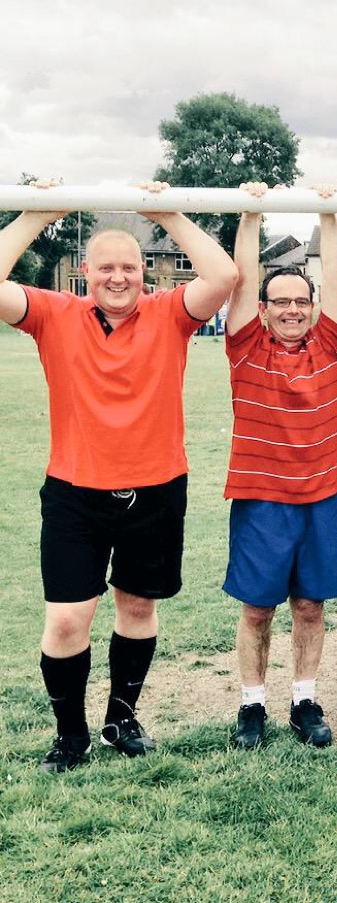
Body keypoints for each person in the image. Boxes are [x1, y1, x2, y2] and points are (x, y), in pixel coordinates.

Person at [0, 181, 238, 772]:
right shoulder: (55, 314)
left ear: (144, 274)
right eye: (106, 267)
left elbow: (224, 276)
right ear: (86, 271)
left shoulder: (170, 315)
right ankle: (70, 734)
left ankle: (120, 719)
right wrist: (34, 215)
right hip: (75, 492)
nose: (119, 277)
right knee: (67, 616)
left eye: (129, 267)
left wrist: (169, 214)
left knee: (136, 608)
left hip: (156, 488)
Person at [223, 187, 337, 750]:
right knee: (259, 609)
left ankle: (304, 699)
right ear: (263, 308)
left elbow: (334, 277)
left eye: (299, 301)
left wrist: (328, 214)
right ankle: (251, 706)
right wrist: (251, 216)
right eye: (279, 301)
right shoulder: (245, 348)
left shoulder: (331, 344)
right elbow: (240, 276)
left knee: (310, 605)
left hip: (319, 495)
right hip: (261, 498)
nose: (291, 309)